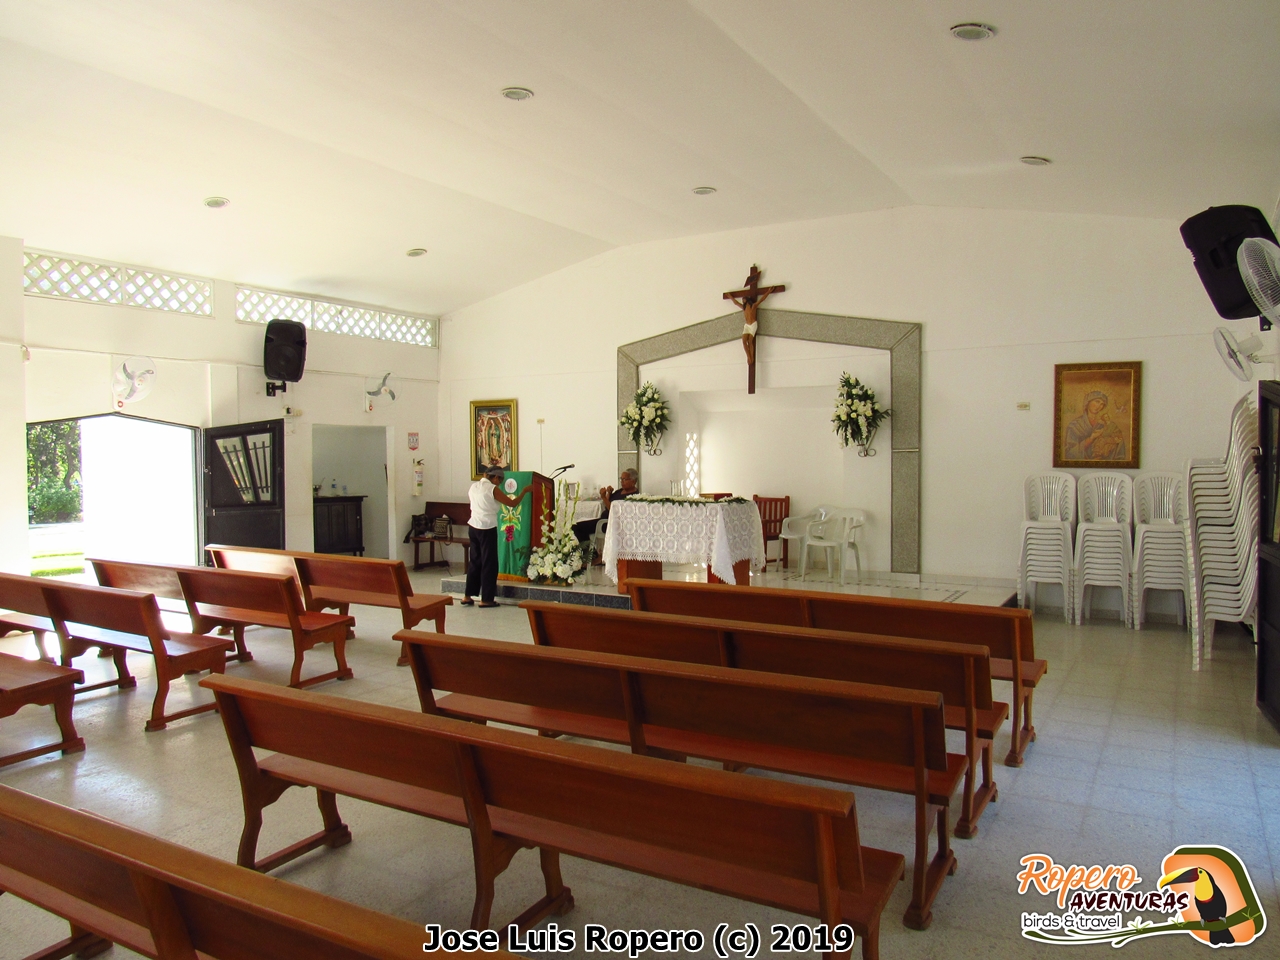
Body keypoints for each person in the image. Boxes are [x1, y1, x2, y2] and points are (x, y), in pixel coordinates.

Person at [463, 466, 531, 607]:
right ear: (495, 477)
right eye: (499, 481)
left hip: (473, 526)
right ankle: (486, 599)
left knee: (475, 561)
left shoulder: (474, 486)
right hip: (486, 528)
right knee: (489, 563)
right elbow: (512, 503)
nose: (499, 484)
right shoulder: (491, 489)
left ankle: (467, 596)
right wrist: (524, 491)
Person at [572, 468, 638, 545]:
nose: (622, 482)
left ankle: (590, 554)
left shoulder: (633, 496)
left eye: (624, 479)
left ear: (633, 481)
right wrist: (608, 493)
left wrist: (603, 497)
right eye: (621, 479)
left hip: (611, 524)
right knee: (576, 526)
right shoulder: (620, 491)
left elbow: (615, 511)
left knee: (577, 528)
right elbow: (607, 504)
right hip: (603, 520)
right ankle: (590, 553)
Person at [1063, 390, 1127, 461]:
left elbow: (1119, 445)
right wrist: (1091, 438)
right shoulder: (1075, 425)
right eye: (1097, 401)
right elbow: (1069, 453)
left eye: (1102, 404)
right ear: (1088, 402)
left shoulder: (1106, 424)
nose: (1099, 406)